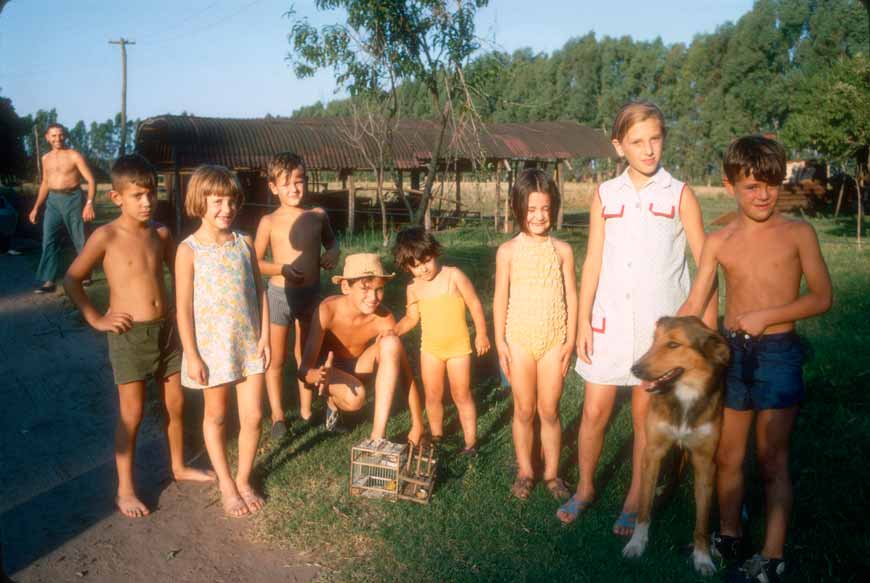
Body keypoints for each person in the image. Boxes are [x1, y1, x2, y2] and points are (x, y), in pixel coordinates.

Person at [679, 135, 832, 583]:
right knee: (728, 455)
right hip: (734, 355)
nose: (763, 194)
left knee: (771, 458)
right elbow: (695, 301)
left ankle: (771, 556)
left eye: (770, 183)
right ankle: (729, 534)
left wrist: (770, 316)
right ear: (730, 186)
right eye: (751, 186)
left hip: (779, 356)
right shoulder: (719, 240)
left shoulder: (798, 233)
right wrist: (665, 338)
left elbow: (822, 297)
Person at [559, 101, 716, 533]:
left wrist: (706, 328)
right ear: (618, 146)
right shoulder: (606, 195)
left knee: (645, 414)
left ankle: (635, 496)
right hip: (608, 322)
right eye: (637, 142)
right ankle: (586, 488)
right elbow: (592, 261)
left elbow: (707, 265)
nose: (648, 150)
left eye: (655, 139)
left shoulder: (679, 194)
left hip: (658, 336)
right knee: (594, 411)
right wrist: (584, 322)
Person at [63, 154, 214, 518]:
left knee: (176, 406)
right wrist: (96, 318)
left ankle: (178, 466)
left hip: (167, 332)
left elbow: (179, 275)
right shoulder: (106, 236)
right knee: (131, 414)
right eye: (137, 196)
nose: (147, 202)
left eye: (151, 193)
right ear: (117, 198)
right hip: (130, 335)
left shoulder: (162, 234)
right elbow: (72, 279)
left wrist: (185, 312)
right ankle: (125, 489)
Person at [175, 165, 270, 518]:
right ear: (200, 202)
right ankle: (226, 484)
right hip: (211, 349)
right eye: (217, 201)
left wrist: (265, 336)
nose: (226, 209)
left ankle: (244, 479)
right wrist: (192, 354)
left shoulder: (244, 243)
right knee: (215, 417)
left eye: (231, 201)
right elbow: (182, 308)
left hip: (249, 345)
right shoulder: (189, 250)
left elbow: (259, 290)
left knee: (254, 416)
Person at [493, 168, 577, 500]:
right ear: (518, 209)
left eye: (544, 208)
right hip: (520, 338)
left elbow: (572, 295)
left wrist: (570, 340)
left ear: (553, 208)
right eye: (531, 209)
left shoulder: (563, 251)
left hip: (554, 338)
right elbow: (501, 297)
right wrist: (500, 341)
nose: (539, 216)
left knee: (549, 410)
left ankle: (553, 474)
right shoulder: (508, 251)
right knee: (524, 409)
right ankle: (526, 470)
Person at [254, 152, 339, 440]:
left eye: (299, 181)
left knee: (306, 354)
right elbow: (255, 263)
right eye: (286, 183)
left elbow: (332, 242)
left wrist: (333, 253)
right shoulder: (268, 221)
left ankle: (306, 410)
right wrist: (281, 269)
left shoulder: (317, 216)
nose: (294, 189)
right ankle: (278, 415)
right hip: (279, 296)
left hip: (311, 296)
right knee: (276, 358)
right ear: (273, 187)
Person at [297, 253, 425, 445]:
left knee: (392, 342)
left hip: (360, 367)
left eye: (379, 289)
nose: (373, 298)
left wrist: (417, 423)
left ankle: (377, 437)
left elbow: (406, 373)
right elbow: (303, 371)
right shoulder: (327, 310)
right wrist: (319, 375)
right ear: (345, 286)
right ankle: (332, 402)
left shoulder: (383, 317)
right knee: (356, 399)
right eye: (365, 289)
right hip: (330, 371)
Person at [393, 227, 491, 453]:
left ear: (434, 253)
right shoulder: (413, 288)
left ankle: (470, 442)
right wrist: (395, 330)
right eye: (415, 266)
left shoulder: (453, 275)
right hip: (430, 349)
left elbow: (474, 304)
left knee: (461, 394)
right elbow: (411, 318)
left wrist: (482, 334)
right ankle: (437, 435)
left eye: (426, 260)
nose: (423, 269)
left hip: (458, 348)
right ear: (407, 267)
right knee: (433, 395)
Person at [29, 123, 96, 293]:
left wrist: (89, 203)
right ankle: (48, 281)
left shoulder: (74, 155)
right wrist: (36, 207)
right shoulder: (45, 158)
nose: (57, 138)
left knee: (79, 238)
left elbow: (91, 180)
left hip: (73, 198)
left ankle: (85, 274)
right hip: (53, 200)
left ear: (64, 136)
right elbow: (45, 182)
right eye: (53, 135)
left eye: (60, 135)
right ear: (47, 137)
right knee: (49, 239)